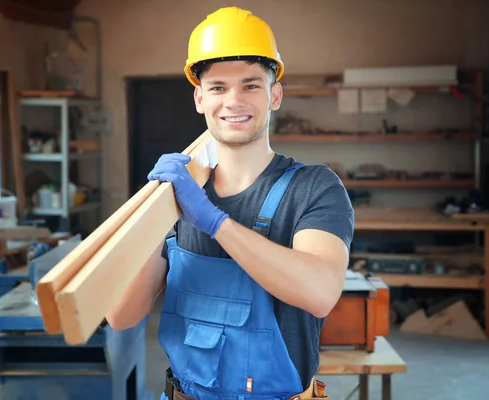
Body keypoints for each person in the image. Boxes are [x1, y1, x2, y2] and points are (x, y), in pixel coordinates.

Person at [106, 6, 354, 400]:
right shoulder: (176, 196)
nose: (233, 101)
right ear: (199, 97)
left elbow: (320, 292)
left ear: (275, 95)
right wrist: (154, 215)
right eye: (218, 87)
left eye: (251, 85)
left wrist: (212, 220)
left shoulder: (314, 188)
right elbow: (122, 315)